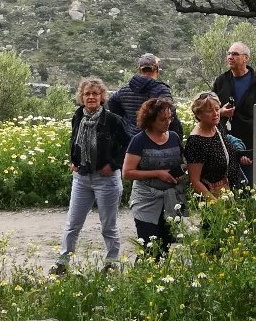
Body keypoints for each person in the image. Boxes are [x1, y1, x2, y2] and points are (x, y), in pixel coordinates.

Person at [50, 77, 129, 276]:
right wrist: (74, 160)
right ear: (81, 97)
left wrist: (112, 165)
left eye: (95, 93)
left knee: (108, 226)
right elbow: (74, 141)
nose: (91, 97)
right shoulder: (78, 116)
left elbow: (127, 147)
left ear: (102, 97)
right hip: (82, 178)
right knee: (72, 224)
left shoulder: (113, 120)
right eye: (87, 94)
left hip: (107, 180)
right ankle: (62, 263)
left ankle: (111, 263)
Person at [122, 98, 186, 261]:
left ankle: (157, 281)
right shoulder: (139, 140)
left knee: (164, 246)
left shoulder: (174, 137)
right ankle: (141, 280)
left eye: (170, 118)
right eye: (162, 119)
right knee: (150, 247)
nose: (168, 122)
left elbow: (182, 162)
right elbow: (127, 173)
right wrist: (157, 173)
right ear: (150, 120)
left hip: (171, 198)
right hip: (146, 199)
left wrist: (180, 172)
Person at [211, 41, 256, 184]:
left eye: (235, 54)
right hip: (225, 141)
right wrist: (221, 112)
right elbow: (208, 109)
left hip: (251, 142)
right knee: (227, 183)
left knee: (249, 183)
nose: (230, 57)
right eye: (229, 53)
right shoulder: (221, 81)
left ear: (246, 58)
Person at [185, 92, 251, 200]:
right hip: (215, 198)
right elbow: (195, 181)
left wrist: (240, 157)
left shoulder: (216, 126)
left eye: (217, 109)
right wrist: (214, 203)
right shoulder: (195, 142)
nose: (216, 113)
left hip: (233, 191)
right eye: (210, 111)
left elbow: (225, 151)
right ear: (198, 114)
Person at [108, 53, 183, 139]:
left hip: (130, 139)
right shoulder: (161, 90)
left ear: (139, 70)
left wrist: (126, 120)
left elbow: (111, 102)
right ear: (157, 70)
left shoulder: (124, 89)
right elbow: (169, 114)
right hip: (154, 140)